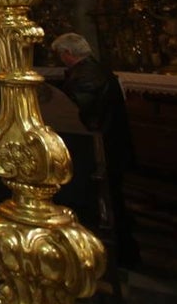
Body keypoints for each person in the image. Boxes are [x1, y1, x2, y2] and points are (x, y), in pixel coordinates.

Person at [51, 32, 140, 265]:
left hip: (101, 147)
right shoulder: (95, 70)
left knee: (106, 200)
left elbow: (76, 111)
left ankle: (113, 254)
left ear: (68, 53)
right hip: (106, 144)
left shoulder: (87, 76)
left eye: (61, 55)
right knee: (109, 199)